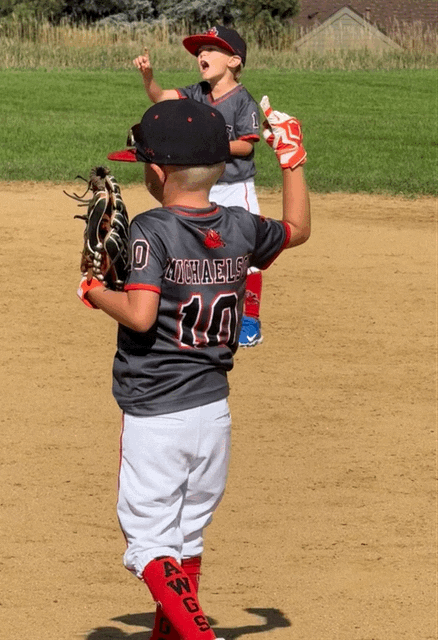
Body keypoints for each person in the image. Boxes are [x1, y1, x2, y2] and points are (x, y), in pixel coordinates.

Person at [77, 98, 310, 640]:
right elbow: (297, 228)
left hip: (157, 415)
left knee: (150, 545)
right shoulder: (240, 226)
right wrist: (293, 162)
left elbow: (139, 314)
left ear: (158, 174)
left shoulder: (151, 229)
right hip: (213, 414)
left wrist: (93, 290)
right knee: (186, 538)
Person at [133, 25, 266, 349]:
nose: (202, 55)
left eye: (211, 49)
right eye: (199, 51)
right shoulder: (197, 93)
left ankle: (249, 320)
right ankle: (199, 310)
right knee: (199, 249)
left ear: (234, 60)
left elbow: (246, 145)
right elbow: (160, 97)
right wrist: (149, 77)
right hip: (202, 187)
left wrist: (207, 144)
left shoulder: (243, 101)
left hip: (235, 186)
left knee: (248, 254)